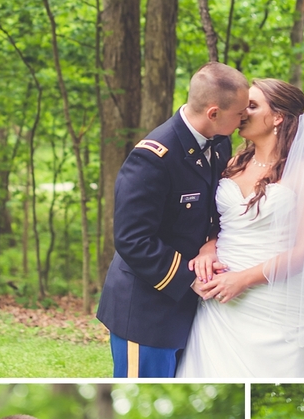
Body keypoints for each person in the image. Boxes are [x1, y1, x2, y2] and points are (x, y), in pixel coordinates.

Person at [176, 78, 304, 378]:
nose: (243, 112)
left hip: (274, 300)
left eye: (252, 105)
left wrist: (243, 280)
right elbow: (218, 224)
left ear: (277, 117)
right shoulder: (232, 162)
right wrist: (209, 247)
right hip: (219, 304)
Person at [96, 62, 249, 378]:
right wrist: (189, 278)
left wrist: (210, 243)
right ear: (213, 112)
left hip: (188, 309)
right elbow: (132, 240)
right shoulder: (152, 158)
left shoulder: (220, 142)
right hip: (146, 310)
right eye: (239, 113)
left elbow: (212, 210)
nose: (244, 118)